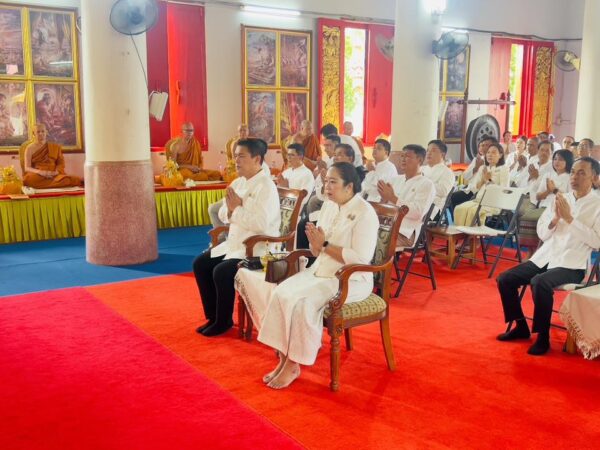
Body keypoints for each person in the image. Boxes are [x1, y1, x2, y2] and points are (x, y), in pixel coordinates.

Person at [236, 162, 378, 389]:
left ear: (349, 186)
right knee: (281, 292)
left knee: (302, 303)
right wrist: (315, 244)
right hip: (321, 270)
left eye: (333, 182)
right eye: (326, 181)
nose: (326, 187)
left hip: (350, 278)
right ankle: (284, 357)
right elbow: (317, 251)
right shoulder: (329, 206)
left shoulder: (365, 213)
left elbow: (360, 259)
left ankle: (294, 363)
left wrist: (325, 245)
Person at [496, 157, 600, 356]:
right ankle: (521, 326)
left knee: (539, 282)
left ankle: (542, 337)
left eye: (581, 173)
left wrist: (569, 219)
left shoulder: (597, 205)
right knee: (505, 279)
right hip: (545, 256)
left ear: (594, 177)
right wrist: (555, 219)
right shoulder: (561, 198)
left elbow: (597, 242)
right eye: (573, 172)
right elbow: (542, 233)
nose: (574, 177)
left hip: (572, 264)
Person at [192, 138, 280, 337]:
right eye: (235, 156)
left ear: (257, 159)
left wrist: (237, 209)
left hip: (257, 249)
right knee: (200, 264)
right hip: (235, 244)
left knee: (221, 271)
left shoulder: (266, 187)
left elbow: (261, 225)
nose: (236, 161)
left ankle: (223, 321)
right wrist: (233, 210)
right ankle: (213, 317)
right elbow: (223, 212)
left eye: (241, 156)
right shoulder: (238, 182)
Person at [377, 144, 435, 247]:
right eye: (402, 156)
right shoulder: (395, 179)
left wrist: (392, 198)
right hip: (385, 226)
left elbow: (418, 213)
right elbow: (384, 206)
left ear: (420, 160)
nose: (403, 159)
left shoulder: (426, 184)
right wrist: (384, 199)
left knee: (373, 240)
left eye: (407, 156)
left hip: (405, 232)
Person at [517, 149, 573, 252]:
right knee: (527, 217)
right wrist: (548, 191)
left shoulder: (571, 177)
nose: (557, 162)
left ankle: (540, 250)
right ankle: (531, 250)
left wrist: (554, 190)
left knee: (536, 219)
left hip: (559, 209)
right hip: (544, 207)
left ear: (568, 161)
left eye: (561, 159)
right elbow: (538, 196)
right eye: (555, 159)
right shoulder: (548, 175)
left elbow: (570, 198)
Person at [453, 142, 509, 226]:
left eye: (493, 152)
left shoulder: (504, 169)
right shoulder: (483, 168)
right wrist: (483, 180)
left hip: (494, 203)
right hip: (479, 200)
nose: (490, 155)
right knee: (459, 209)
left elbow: (504, 191)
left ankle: (472, 233)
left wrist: (489, 180)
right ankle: (462, 232)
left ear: (500, 155)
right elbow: (476, 188)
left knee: (473, 212)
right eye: (488, 152)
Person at [22, 123, 82, 189]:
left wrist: (56, 172)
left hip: (53, 173)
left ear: (46, 132)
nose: (41, 133)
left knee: (70, 180)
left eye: (43, 131)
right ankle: (55, 184)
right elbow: (27, 167)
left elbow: (61, 163)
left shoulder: (55, 147)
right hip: (39, 175)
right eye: (38, 132)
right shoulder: (29, 148)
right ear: (34, 134)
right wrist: (40, 172)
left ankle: (51, 183)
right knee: (27, 181)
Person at [450, 135, 494, 214]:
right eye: (482, 145)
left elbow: (491, 181)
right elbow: (464, 177)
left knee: (452, 197)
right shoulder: (477, 160)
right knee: (451, 195)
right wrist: (476, 168)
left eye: (487, 145)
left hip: (478, 192)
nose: (483, 147)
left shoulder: (494, 162)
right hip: (469, 188)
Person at [421, 139, 455, 217]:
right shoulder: (421, 169)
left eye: (433, 150)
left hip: (433, 207)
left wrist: (424, 183)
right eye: (427, 150)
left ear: (442, 155)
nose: (428, 153)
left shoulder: (447, 172)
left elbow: (443, 191)